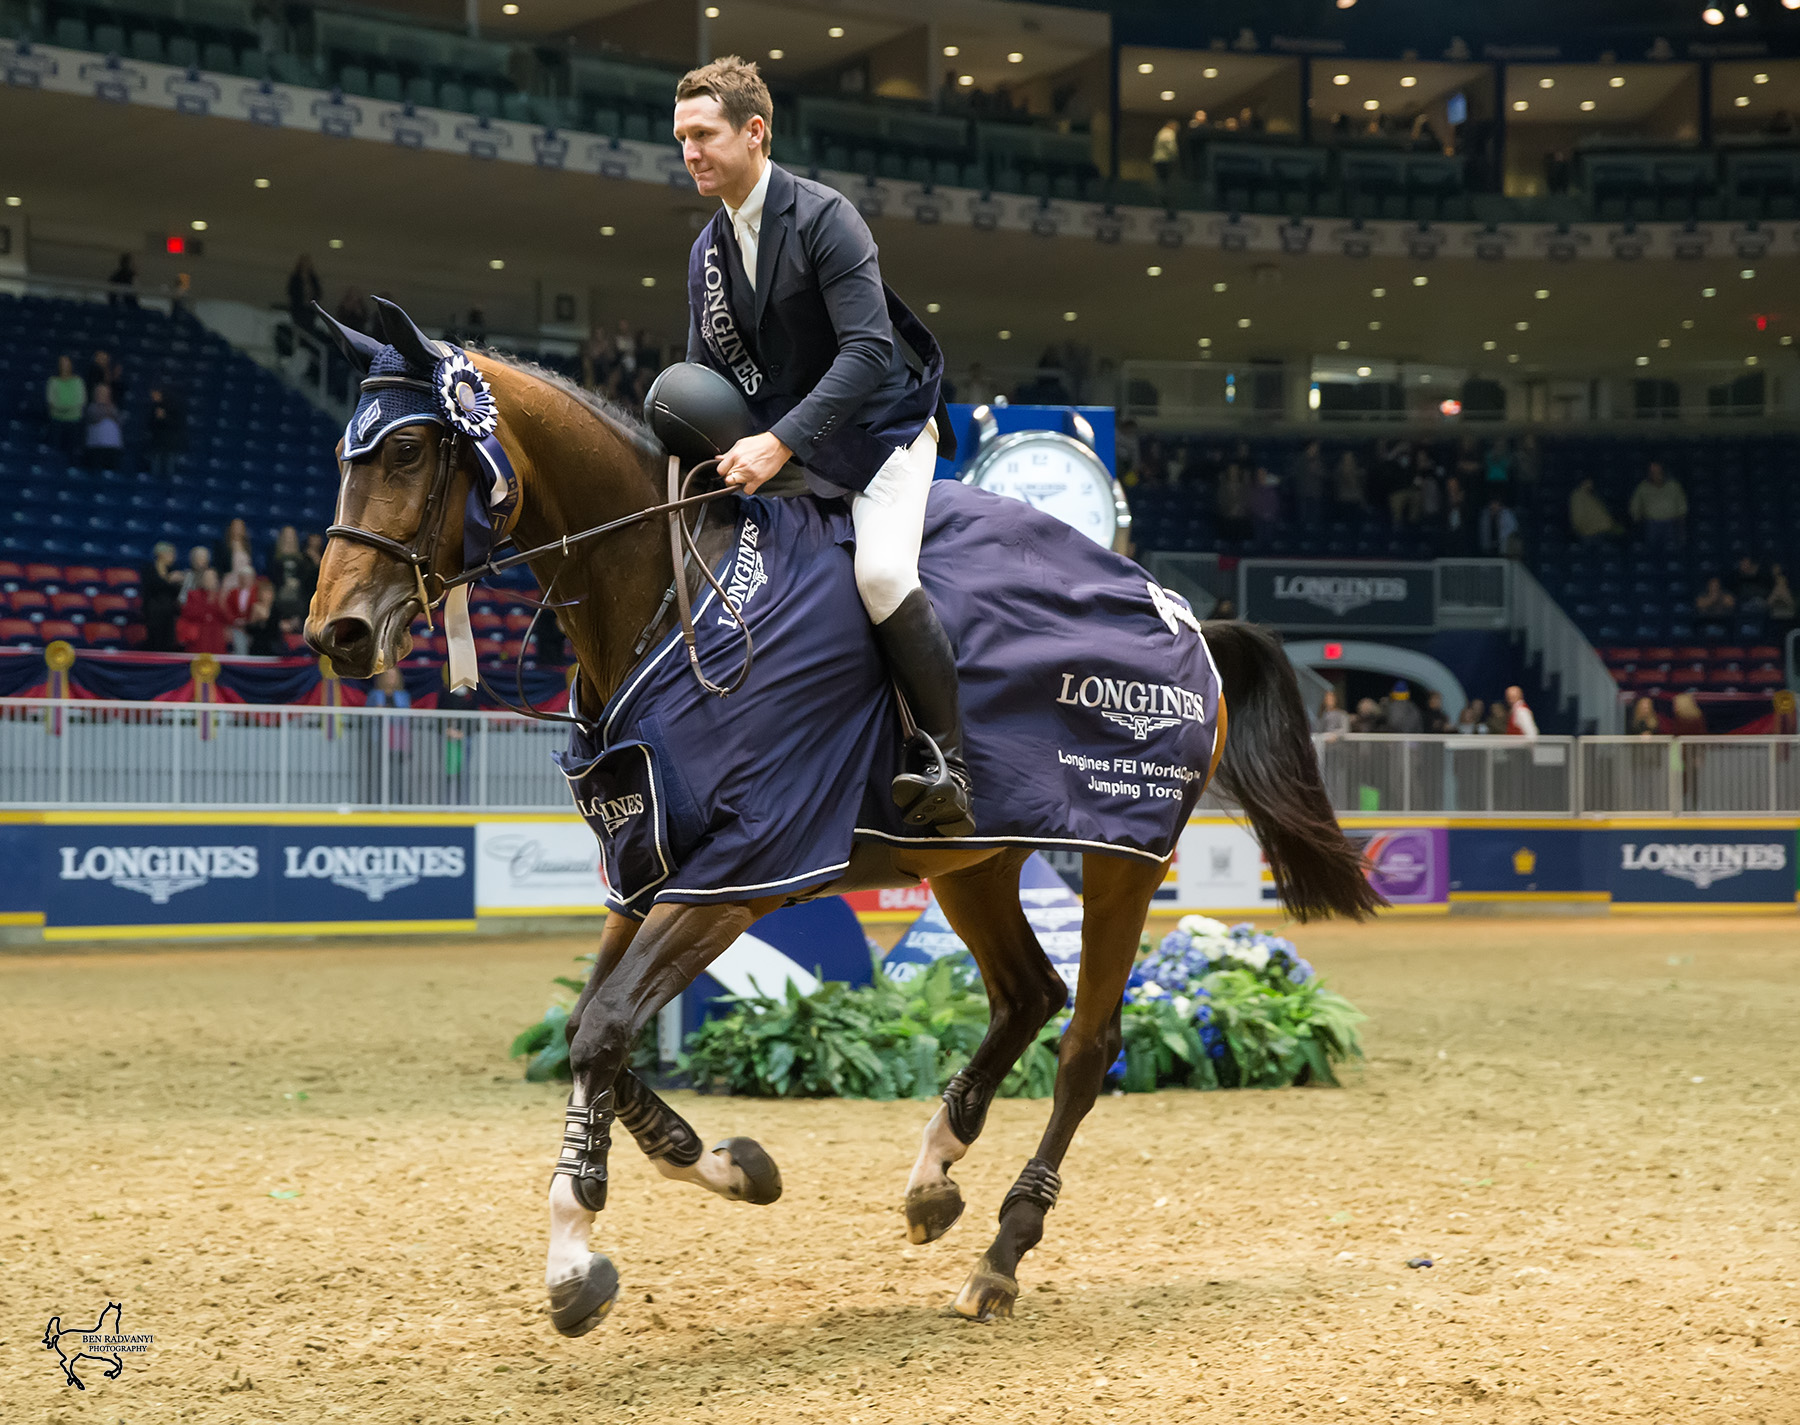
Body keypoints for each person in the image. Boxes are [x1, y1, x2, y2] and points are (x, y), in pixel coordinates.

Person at [673, 56, 969, 835]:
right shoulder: (705, 255)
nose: (690, 153)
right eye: (681, 140)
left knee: (877, 574)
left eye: (703, 135)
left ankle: (947, 762)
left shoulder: (825, 216)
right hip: (791, 451)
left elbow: (869, 351)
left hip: (882, 436)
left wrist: (775, 443)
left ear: (755, 132)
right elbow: (710, 385)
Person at [1627, 461, 1687, 549]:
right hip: (1650, 525)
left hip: (1671, 524)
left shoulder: (1674, 486)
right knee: (1651, 550)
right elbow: (1635, 507)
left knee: (1671, 552)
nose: (1655, 474)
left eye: (1658, 471)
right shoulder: (1642, 487)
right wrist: (1638, 521)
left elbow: (1682, 506)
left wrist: (1681, 525)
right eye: (1652, 472)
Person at [139, 541, 185, 652]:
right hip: (153, 611)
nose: (173, 557)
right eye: (171, 553)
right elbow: (153, 586)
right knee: (155, 640)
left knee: (169, 642)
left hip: (170, 612)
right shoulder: (150, 569)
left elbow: (176, 590)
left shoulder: (173, 569)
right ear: (161, 554)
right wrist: (169, 580)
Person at [176, 567, 228, 654]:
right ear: (202, 580)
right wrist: (208, 607)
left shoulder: (220, 597)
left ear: (216, 580)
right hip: (199, 637)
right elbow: (188, 613)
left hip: (216, 637)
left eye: (211, 578)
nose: (209, 581)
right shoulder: (193, 595)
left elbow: (227, 617)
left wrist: (220, 604)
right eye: (207, 578)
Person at [267, 526, 309, 626]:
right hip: (280, 592)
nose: (289, 538)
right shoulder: (274, 556)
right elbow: (272, 575)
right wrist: (285, 582)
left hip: (297, 594)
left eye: (291, 535)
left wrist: (297, 582)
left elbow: (305, 577)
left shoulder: (302, 558)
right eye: (287, 535)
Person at [45, 355, 86, 457]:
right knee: (54, 452)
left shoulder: (78, 381)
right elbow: (51, 401)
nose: (64, 366)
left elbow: (81, 401)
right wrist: (65, 408)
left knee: (72, 452)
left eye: (67, 363)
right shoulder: (53, 381)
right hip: (56, 421)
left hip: (74, 421)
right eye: (62, 363)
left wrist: (62, 408)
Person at [146, 386, 187, 479]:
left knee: (169, 469)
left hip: (170, 443)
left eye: (154, 394)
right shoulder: (154, 407)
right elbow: (150, 424)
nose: (153, 396)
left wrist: (164, 417)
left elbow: (177, 425)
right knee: (155, 468)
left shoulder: (173, 406)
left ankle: (169, 489)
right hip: (157, 443)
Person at [83, 383, 124, 470]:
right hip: (96, 447)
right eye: (100, 392)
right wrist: (106, 412)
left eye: (105, 393)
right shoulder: (91, 407)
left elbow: (119, 420)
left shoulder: (114, 407)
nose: (103, 395)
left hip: (112, 447)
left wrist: (109, 411)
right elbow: (94, 418)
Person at [241, 577, 285, 656]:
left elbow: (275, 626)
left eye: (269, 592)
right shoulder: (255, 608)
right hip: (257, 646)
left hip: (273, 647)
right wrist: (254, 618)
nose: (267, 595)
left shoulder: (276, 609)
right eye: (264, 592)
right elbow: (249, 628)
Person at [1568, 477, 1617, 541]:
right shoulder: (1578, 496)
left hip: (1603, 529)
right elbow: (1578, 517)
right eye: (1588, 482)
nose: (1591, 484)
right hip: (1592, 532)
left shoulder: (1589, 495)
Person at [287, 256, 322, 333]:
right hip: (298, 308)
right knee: (299, 328)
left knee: (309, 329)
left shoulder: (313, 278)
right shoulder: (295, 278)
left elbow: (318, 292)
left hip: (310, 309)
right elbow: (291, 292)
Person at [1151, 118, 1180, 191]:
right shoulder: (1169, 133)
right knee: (1165, 181)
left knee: (1160, 180)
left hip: (1158, 159)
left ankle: (1160, 195)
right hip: (1164, 159)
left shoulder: (1161, 132)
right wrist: (1175, 155)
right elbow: (1170, 146)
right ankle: (1163, 197)